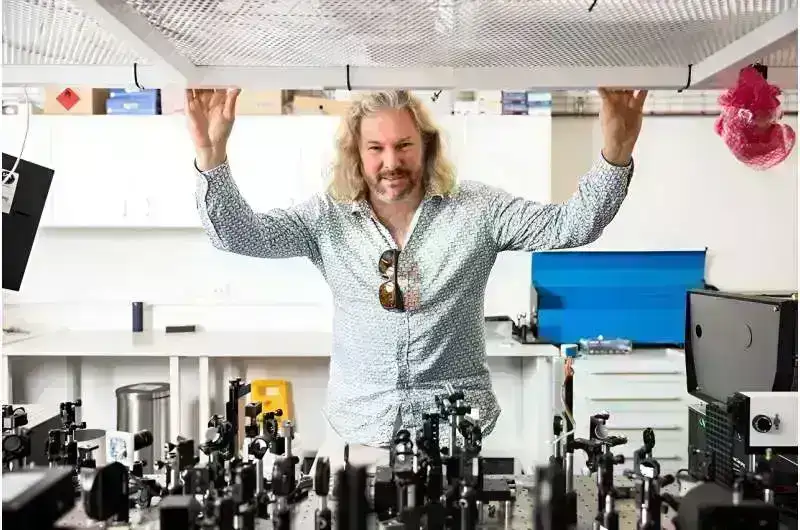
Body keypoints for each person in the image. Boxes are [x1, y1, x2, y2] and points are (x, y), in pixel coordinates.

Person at [185, 88, 648, 472]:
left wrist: (616, 152)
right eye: (376, 148)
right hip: (357, 436)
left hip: (452, 438)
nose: (391, 161)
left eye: (404, 145)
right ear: (356, 153)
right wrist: (211, 156)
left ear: (426, 146)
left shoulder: (479, 210)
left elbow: (572, 225)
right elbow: (238, 234)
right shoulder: (325, 218)